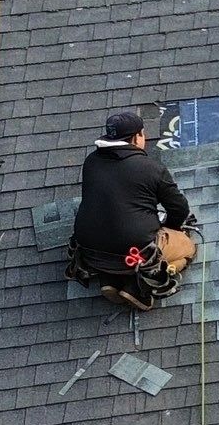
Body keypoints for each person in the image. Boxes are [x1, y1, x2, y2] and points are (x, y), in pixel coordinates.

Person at [68, 108, 198, 311]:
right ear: (136, 137)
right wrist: (172, 229)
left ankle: (109, 279)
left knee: (114, 236)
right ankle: (137, 287)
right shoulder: (151, 168)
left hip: (91, 251)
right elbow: (179, 210)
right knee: (188, 248)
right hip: (137, 251)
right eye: (143, 133)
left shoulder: (91, 162)